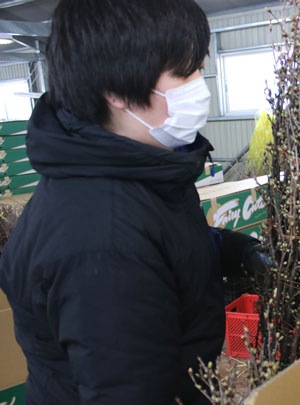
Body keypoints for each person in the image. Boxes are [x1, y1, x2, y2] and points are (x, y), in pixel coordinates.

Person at [0, 0, 271, 403]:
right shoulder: (100, 241)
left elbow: (164, 241)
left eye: (199, 66)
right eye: (185, 73)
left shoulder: (136, 170)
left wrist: (240, 251)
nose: (200, 83)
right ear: (117, 91)